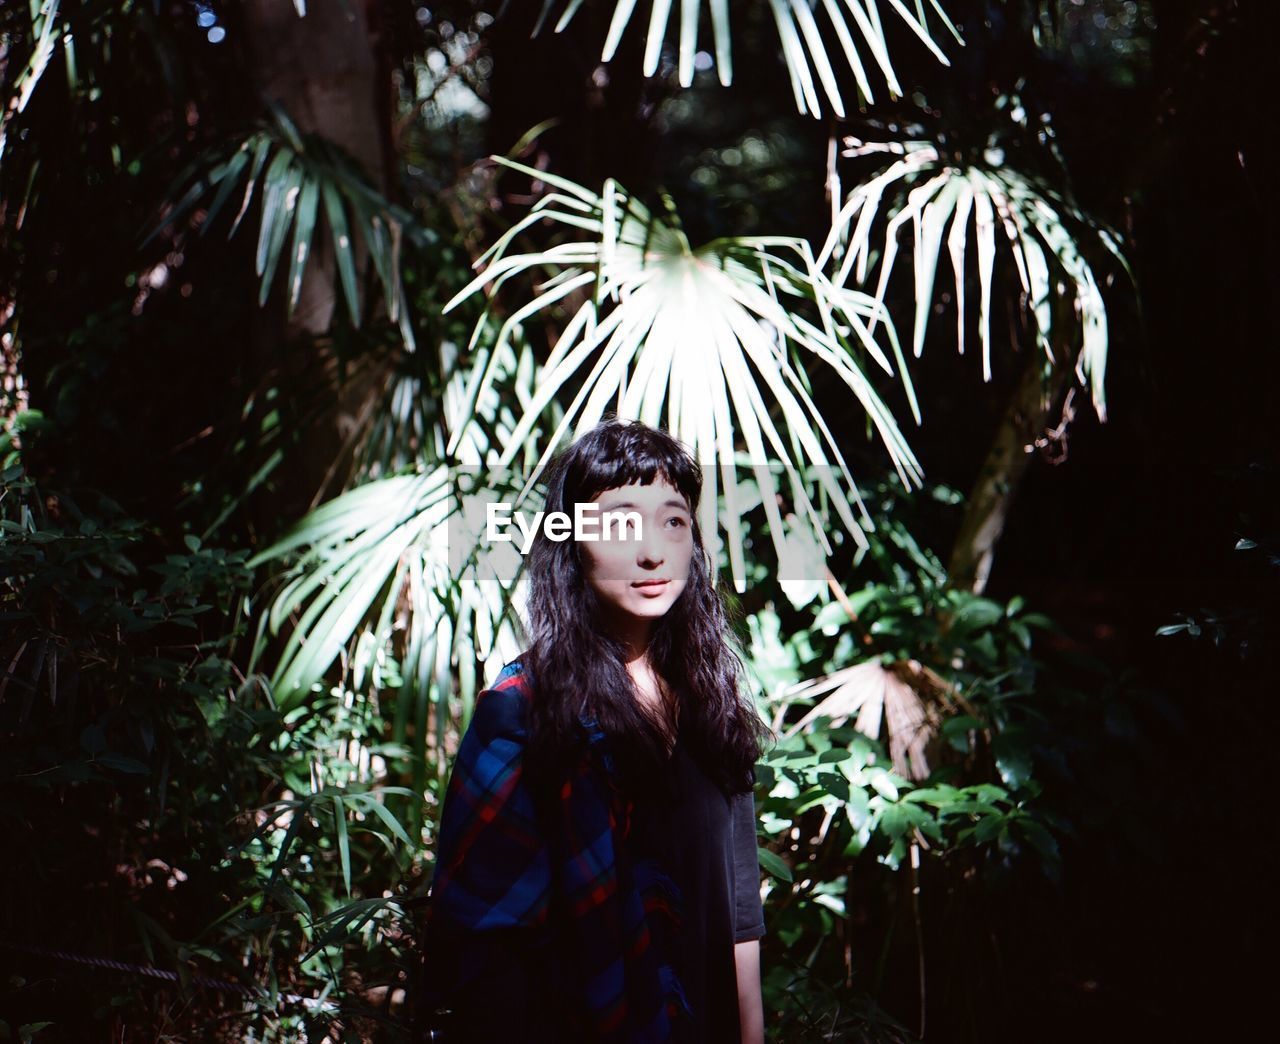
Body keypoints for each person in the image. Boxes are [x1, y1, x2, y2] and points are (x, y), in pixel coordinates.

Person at [416, 419, 772, 1043]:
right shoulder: (523, 712)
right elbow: (485, 950)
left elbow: (740, 917)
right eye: (621, 523)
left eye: (673, 520)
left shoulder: (710, 701)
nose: (652, 550)